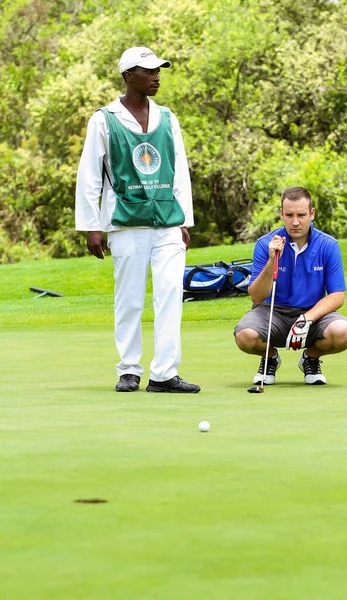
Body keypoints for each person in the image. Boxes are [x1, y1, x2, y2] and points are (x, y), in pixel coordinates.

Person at [75, 46, 200, 394]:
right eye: (150, 71)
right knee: (129, 298)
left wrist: (183, 220)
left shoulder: (168, 118)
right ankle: (129, 369)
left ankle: (164, 373)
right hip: (125, 221)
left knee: (171, 294)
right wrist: (92, 226)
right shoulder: (104, 119)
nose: (157, 76)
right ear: (129, 75)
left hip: (167, 221)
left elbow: (179, 172)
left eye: (159, 70)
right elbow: (90, 176)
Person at [234, 186, 347, 385]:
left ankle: (311, 359)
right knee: (245, 336)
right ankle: (270, 358)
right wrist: (272, 260)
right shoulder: (266, 244)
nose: (295, 222)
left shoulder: (328, 245)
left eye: (301, 215)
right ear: (281, 214)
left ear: (312, 214)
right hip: (273, 313)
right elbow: (256, 297)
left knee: (343, 332)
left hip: (313, 314)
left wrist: (306, 319)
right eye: (289, 215)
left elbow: (337, 295)